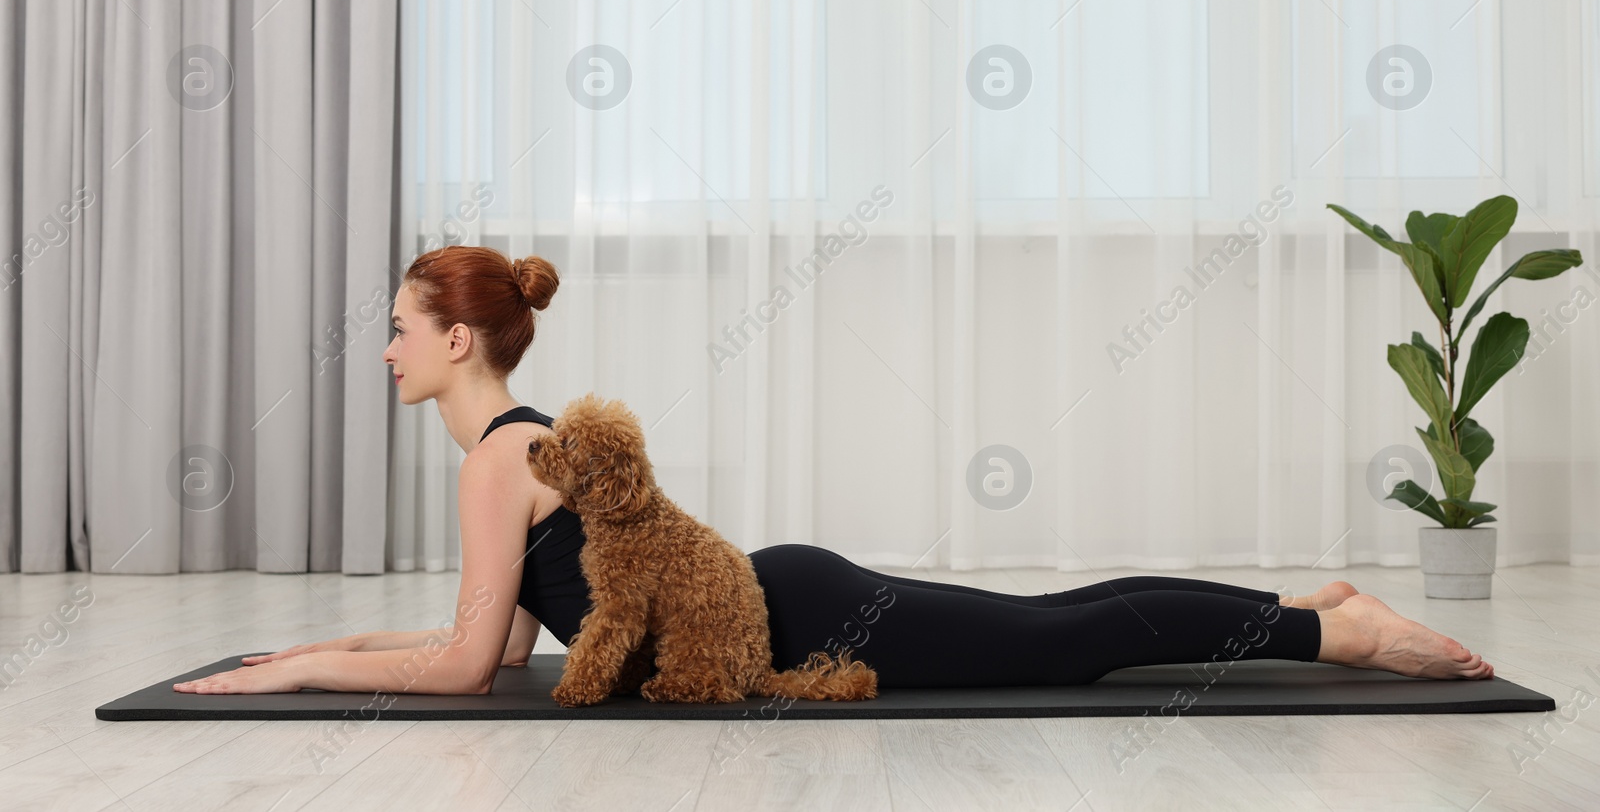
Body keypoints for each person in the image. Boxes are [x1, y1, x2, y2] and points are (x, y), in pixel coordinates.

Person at [173, 246, 1494, 696]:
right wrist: (335, 643)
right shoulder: (514, 453)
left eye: (402, 327)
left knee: (1064, 641)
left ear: (459, 338)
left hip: (798, 614)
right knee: (1059, 624)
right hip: (780, 592)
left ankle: (1337, 636)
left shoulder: (496, 459)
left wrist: (300, 669)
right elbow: (498, 637)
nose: (388, 348)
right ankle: (1315, 613)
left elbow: (467, 671)